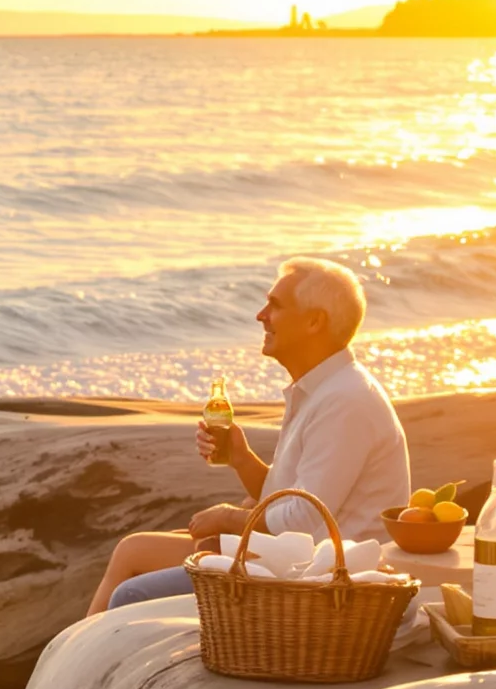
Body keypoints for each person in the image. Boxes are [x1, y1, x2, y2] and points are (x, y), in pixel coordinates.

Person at [88, 257, 410, 613]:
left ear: (314, 321)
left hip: (320, 583)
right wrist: (242, 459)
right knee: (139, 547)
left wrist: (228, 518)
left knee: (131, 585)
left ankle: (76, 663)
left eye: (275, 305)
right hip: (298, 559)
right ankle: (72, 661)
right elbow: (291, 502)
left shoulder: (345, 401)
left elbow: (303, 521)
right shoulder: (323, 390)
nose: (261, 315)